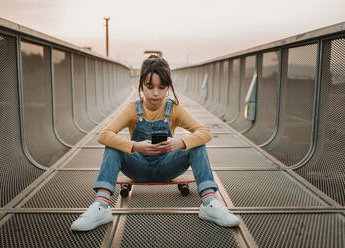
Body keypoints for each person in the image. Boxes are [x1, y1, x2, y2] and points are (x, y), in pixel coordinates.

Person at [71, 55, 240, 231]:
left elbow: (205, 132)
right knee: (113, 145)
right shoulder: (133, 109)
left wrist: (180, 143)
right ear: (141, 85)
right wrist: (136, 146)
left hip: (168, 167)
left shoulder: (173, 108)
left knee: (196, 144)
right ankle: (101, 206)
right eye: (150, 87)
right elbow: (104, 135)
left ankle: (209, 203)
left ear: (169, 87)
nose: (156, 93)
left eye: (162, 87)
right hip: (138, 167)